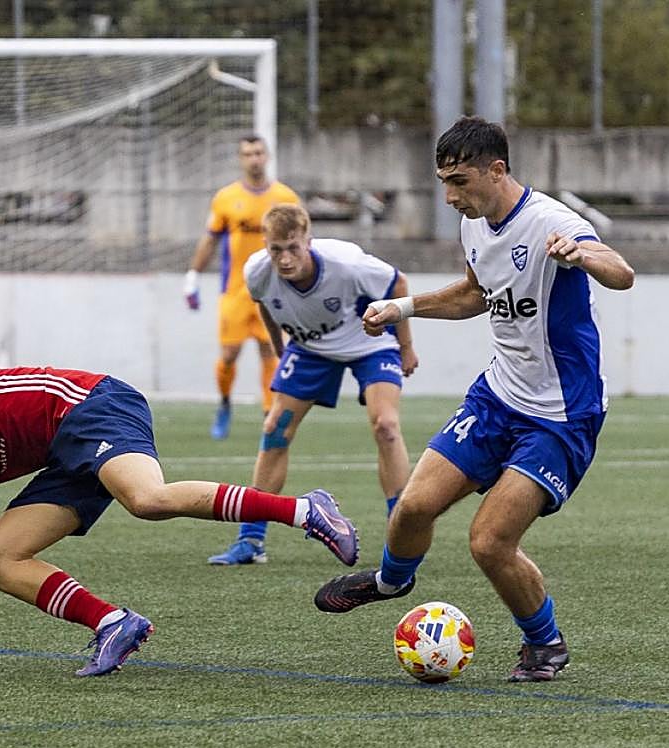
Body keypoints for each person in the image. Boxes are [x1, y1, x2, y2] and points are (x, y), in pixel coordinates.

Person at [312, 116, 634, 682]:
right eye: (444, 181)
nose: (449, 195)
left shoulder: (550, 221)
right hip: (497, 396)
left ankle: (545, 644)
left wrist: (581, 256)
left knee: (488, 542)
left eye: (459, 181)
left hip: (560, 415)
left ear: (497, 169)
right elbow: (474, 295)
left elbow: (621, 271)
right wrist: (401, 310)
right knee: (413, 506)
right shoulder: (475, 226)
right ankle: (391, 581)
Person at [0, 367, 358, 677]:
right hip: (65, 457)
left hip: (92, 407)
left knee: (146, 500)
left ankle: (305, 510)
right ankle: (112, 623)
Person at [207, 203, 419, 566]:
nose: (285, 259)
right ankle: (251, 541)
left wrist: (406, 346)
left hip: (369, 341)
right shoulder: (258, 270)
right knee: (274, 430)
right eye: (276, 249)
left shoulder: (346, 263)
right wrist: (279, 350)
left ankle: (403, 536)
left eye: (293, 248)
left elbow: (398, 284)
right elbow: (264, 306)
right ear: (266, 245)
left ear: (308, 241)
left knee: (386, 426)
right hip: (310, 348)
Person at [184, 135, 301, 441]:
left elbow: (302, 242)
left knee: (271, 350)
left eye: (259, 152)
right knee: (229, 353)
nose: (254, 158)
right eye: (248, 153)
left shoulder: (285, 197)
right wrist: (193, 275)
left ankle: (268, 411)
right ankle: (224, 403)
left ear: (268, 156)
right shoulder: (225, 198)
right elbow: (210, 238)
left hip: (275, 290)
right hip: (236, 291)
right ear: (241, 158)